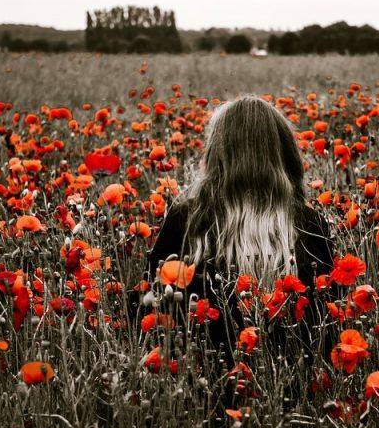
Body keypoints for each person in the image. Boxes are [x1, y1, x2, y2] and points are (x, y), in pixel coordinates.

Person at [142, 95, 336, 390]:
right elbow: (328, 323)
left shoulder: (187, 219)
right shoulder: (308, 224)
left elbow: (149, 305)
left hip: (201, 389)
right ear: (285, 154)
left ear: (217, 153)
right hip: (292, 388)